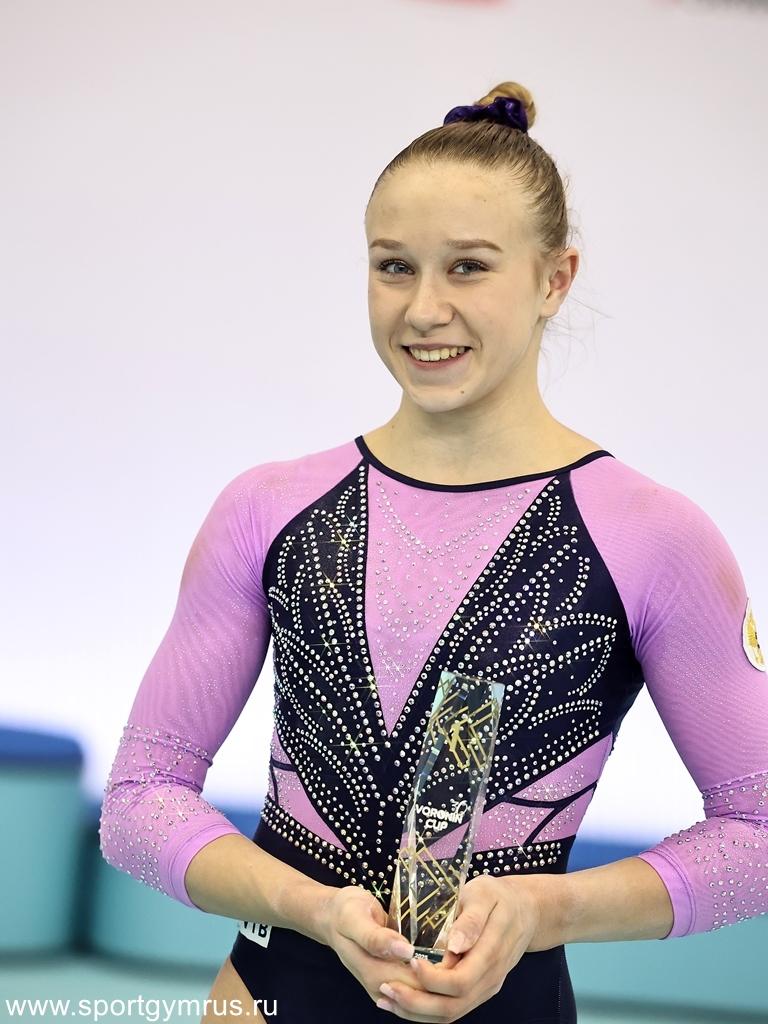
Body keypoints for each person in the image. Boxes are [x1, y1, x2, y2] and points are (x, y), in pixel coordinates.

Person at [99, 81, 768, 1024]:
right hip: (267, 995)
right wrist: (309, 907)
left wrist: (545, 910)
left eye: (468, 268)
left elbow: (759, 830)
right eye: (394, 266)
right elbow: (139, 801)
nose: (423, 309)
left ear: (555, 278)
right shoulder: (269, 510)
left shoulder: (654, 538)